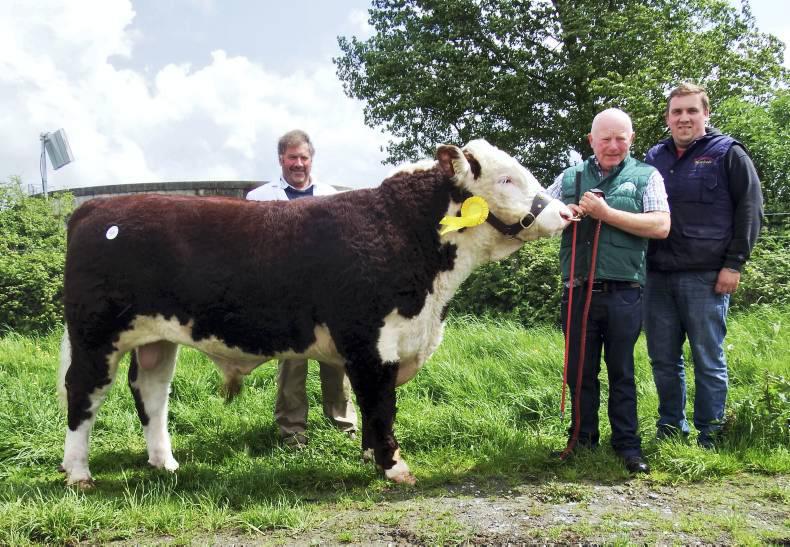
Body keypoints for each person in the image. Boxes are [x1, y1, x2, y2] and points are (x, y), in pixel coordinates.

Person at [547, 108, 670, 474]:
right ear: (591, 141)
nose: (613, 146)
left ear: (631, 140)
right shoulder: (569, 176)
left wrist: (605, 213)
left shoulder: (647, 176)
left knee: (622, 370)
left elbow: (661, 225)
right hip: (578, 289)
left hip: (625, 291)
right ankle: (581, 440)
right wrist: (560, 212)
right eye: (606, 139)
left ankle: (627, 446)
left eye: (621, 138)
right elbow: (535, 212)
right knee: (578, 371)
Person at [643, 83, 763, 448]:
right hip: (657, 276)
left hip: (706, 277)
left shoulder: (729, 153)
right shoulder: (654, 157)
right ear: (667, 118)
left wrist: (735, 264)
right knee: (663, 360)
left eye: (691, 111)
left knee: (708, 360)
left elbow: (750, 210)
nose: (684, 118)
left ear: (705, 114)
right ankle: (670, 429)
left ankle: (710, 435)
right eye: (677, 112)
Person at [246, 129, 358, 448]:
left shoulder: (332, 195)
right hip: (286, 295)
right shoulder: (259, 198)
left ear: (312, 160)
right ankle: (292, 432)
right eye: (292, 157)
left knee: (335, 360)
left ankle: (344, 427)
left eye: (304, 157)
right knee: (292, 364)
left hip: (327, 294)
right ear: (281, 159)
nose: (299, 163)